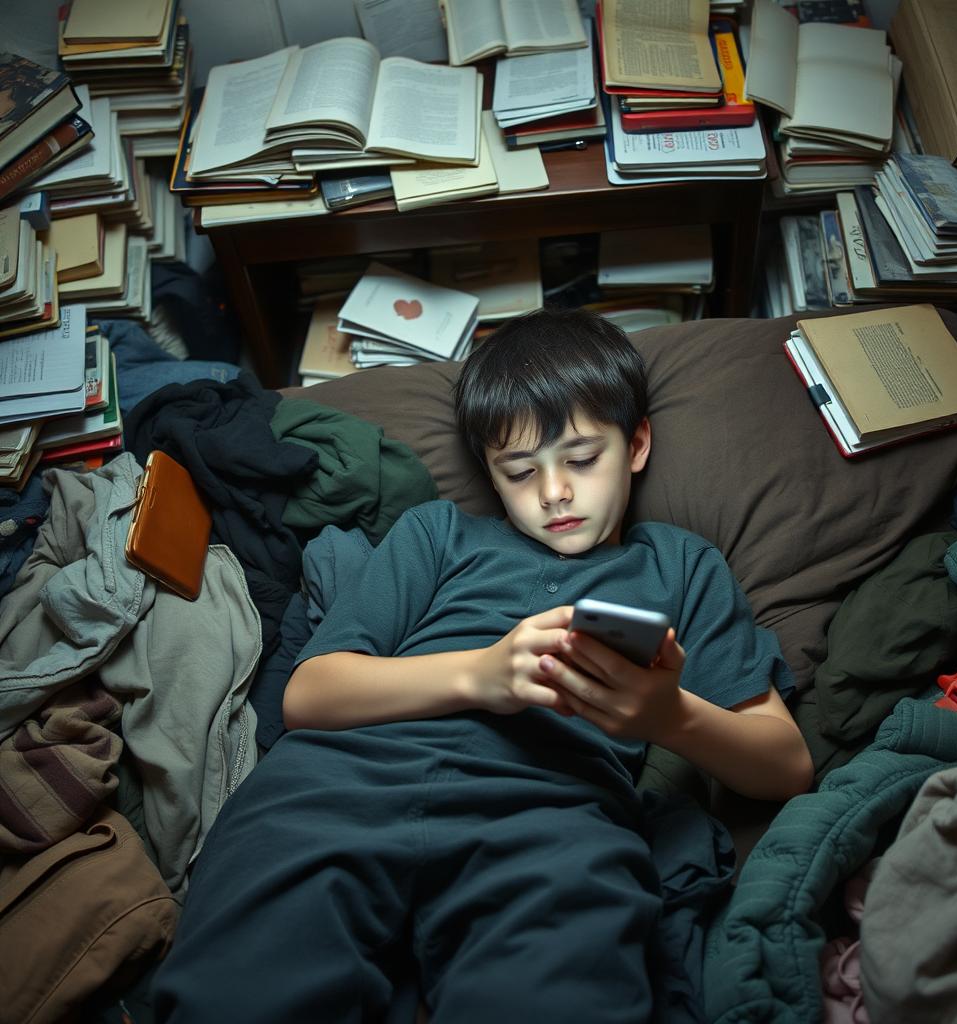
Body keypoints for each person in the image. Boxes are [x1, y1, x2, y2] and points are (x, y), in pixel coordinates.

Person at [152, 308, 813, 1023]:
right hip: (337, 793)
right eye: (519, 471)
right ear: (492, 476)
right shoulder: (438, 534)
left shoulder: (682, 566)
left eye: (582, 459)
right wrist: (484, 675)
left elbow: (783, 765)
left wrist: (668, 716)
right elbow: (310, 694)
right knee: (238, 993)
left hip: (554, 817)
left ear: (637, 445)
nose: (553, 493)